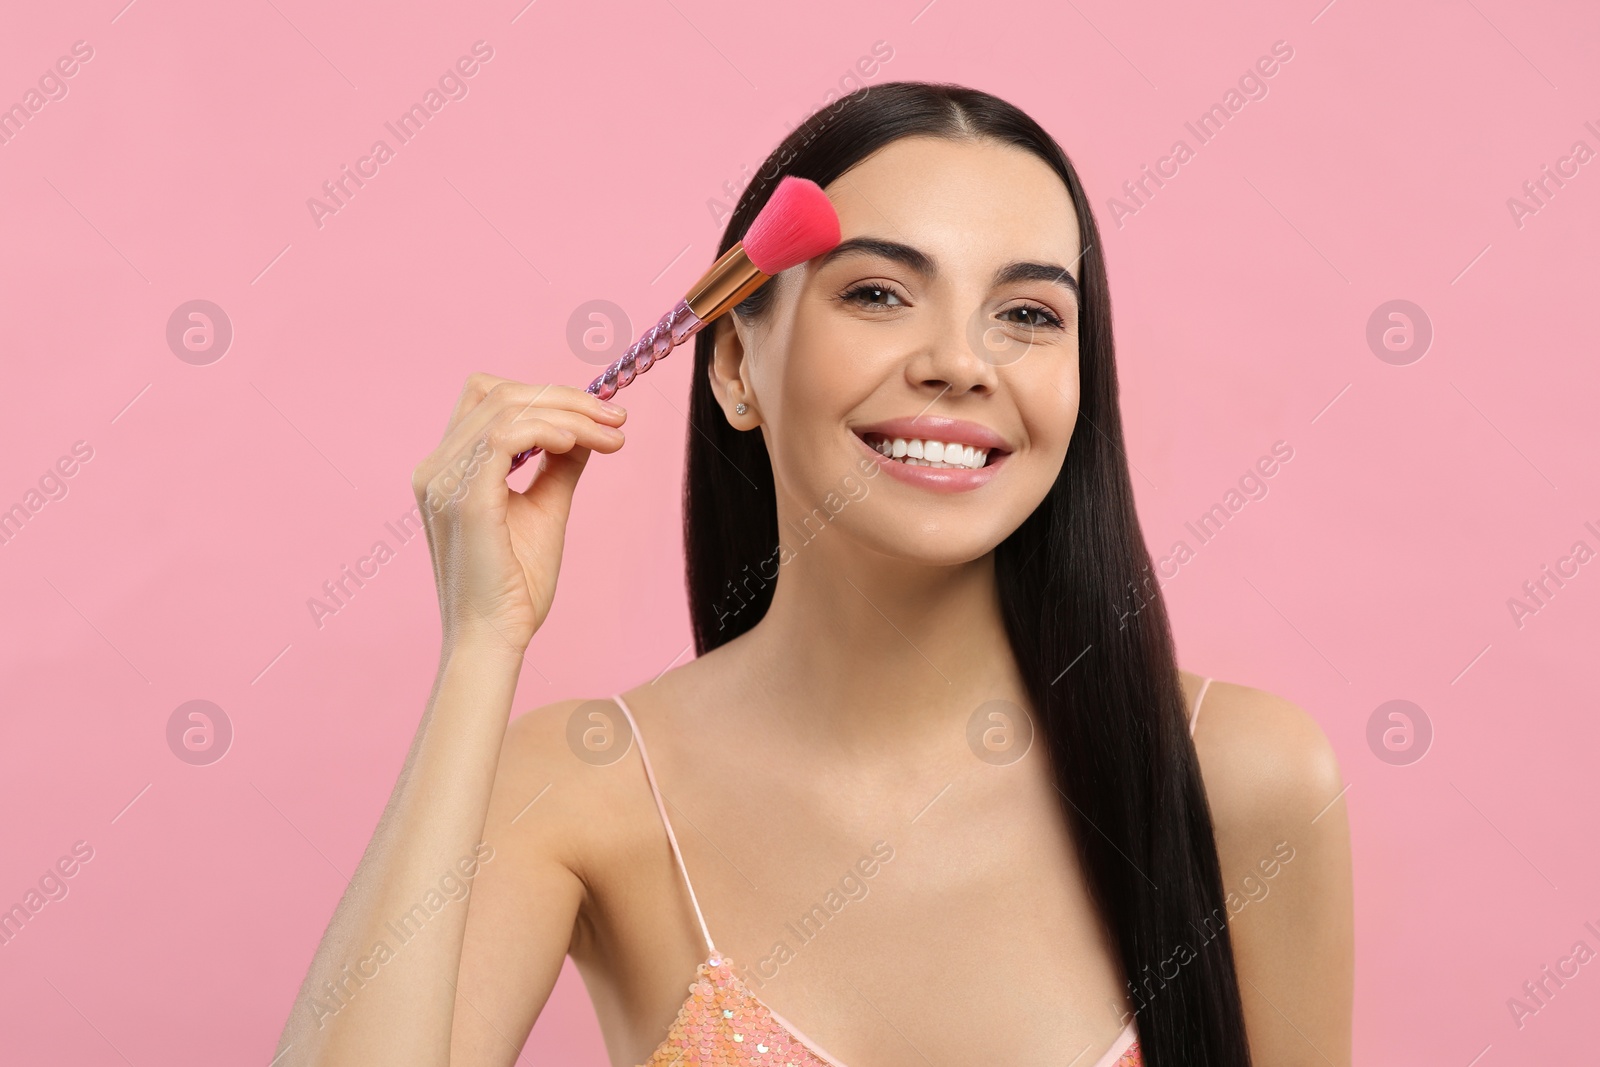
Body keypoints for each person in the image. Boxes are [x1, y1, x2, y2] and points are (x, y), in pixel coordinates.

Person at [274, 80, 1353, 1067]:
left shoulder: (1243, 777)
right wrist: (481, 641)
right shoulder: (586, 783)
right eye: (880, 293)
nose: (959, 362)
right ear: (736, 365)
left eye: (1027, 313)